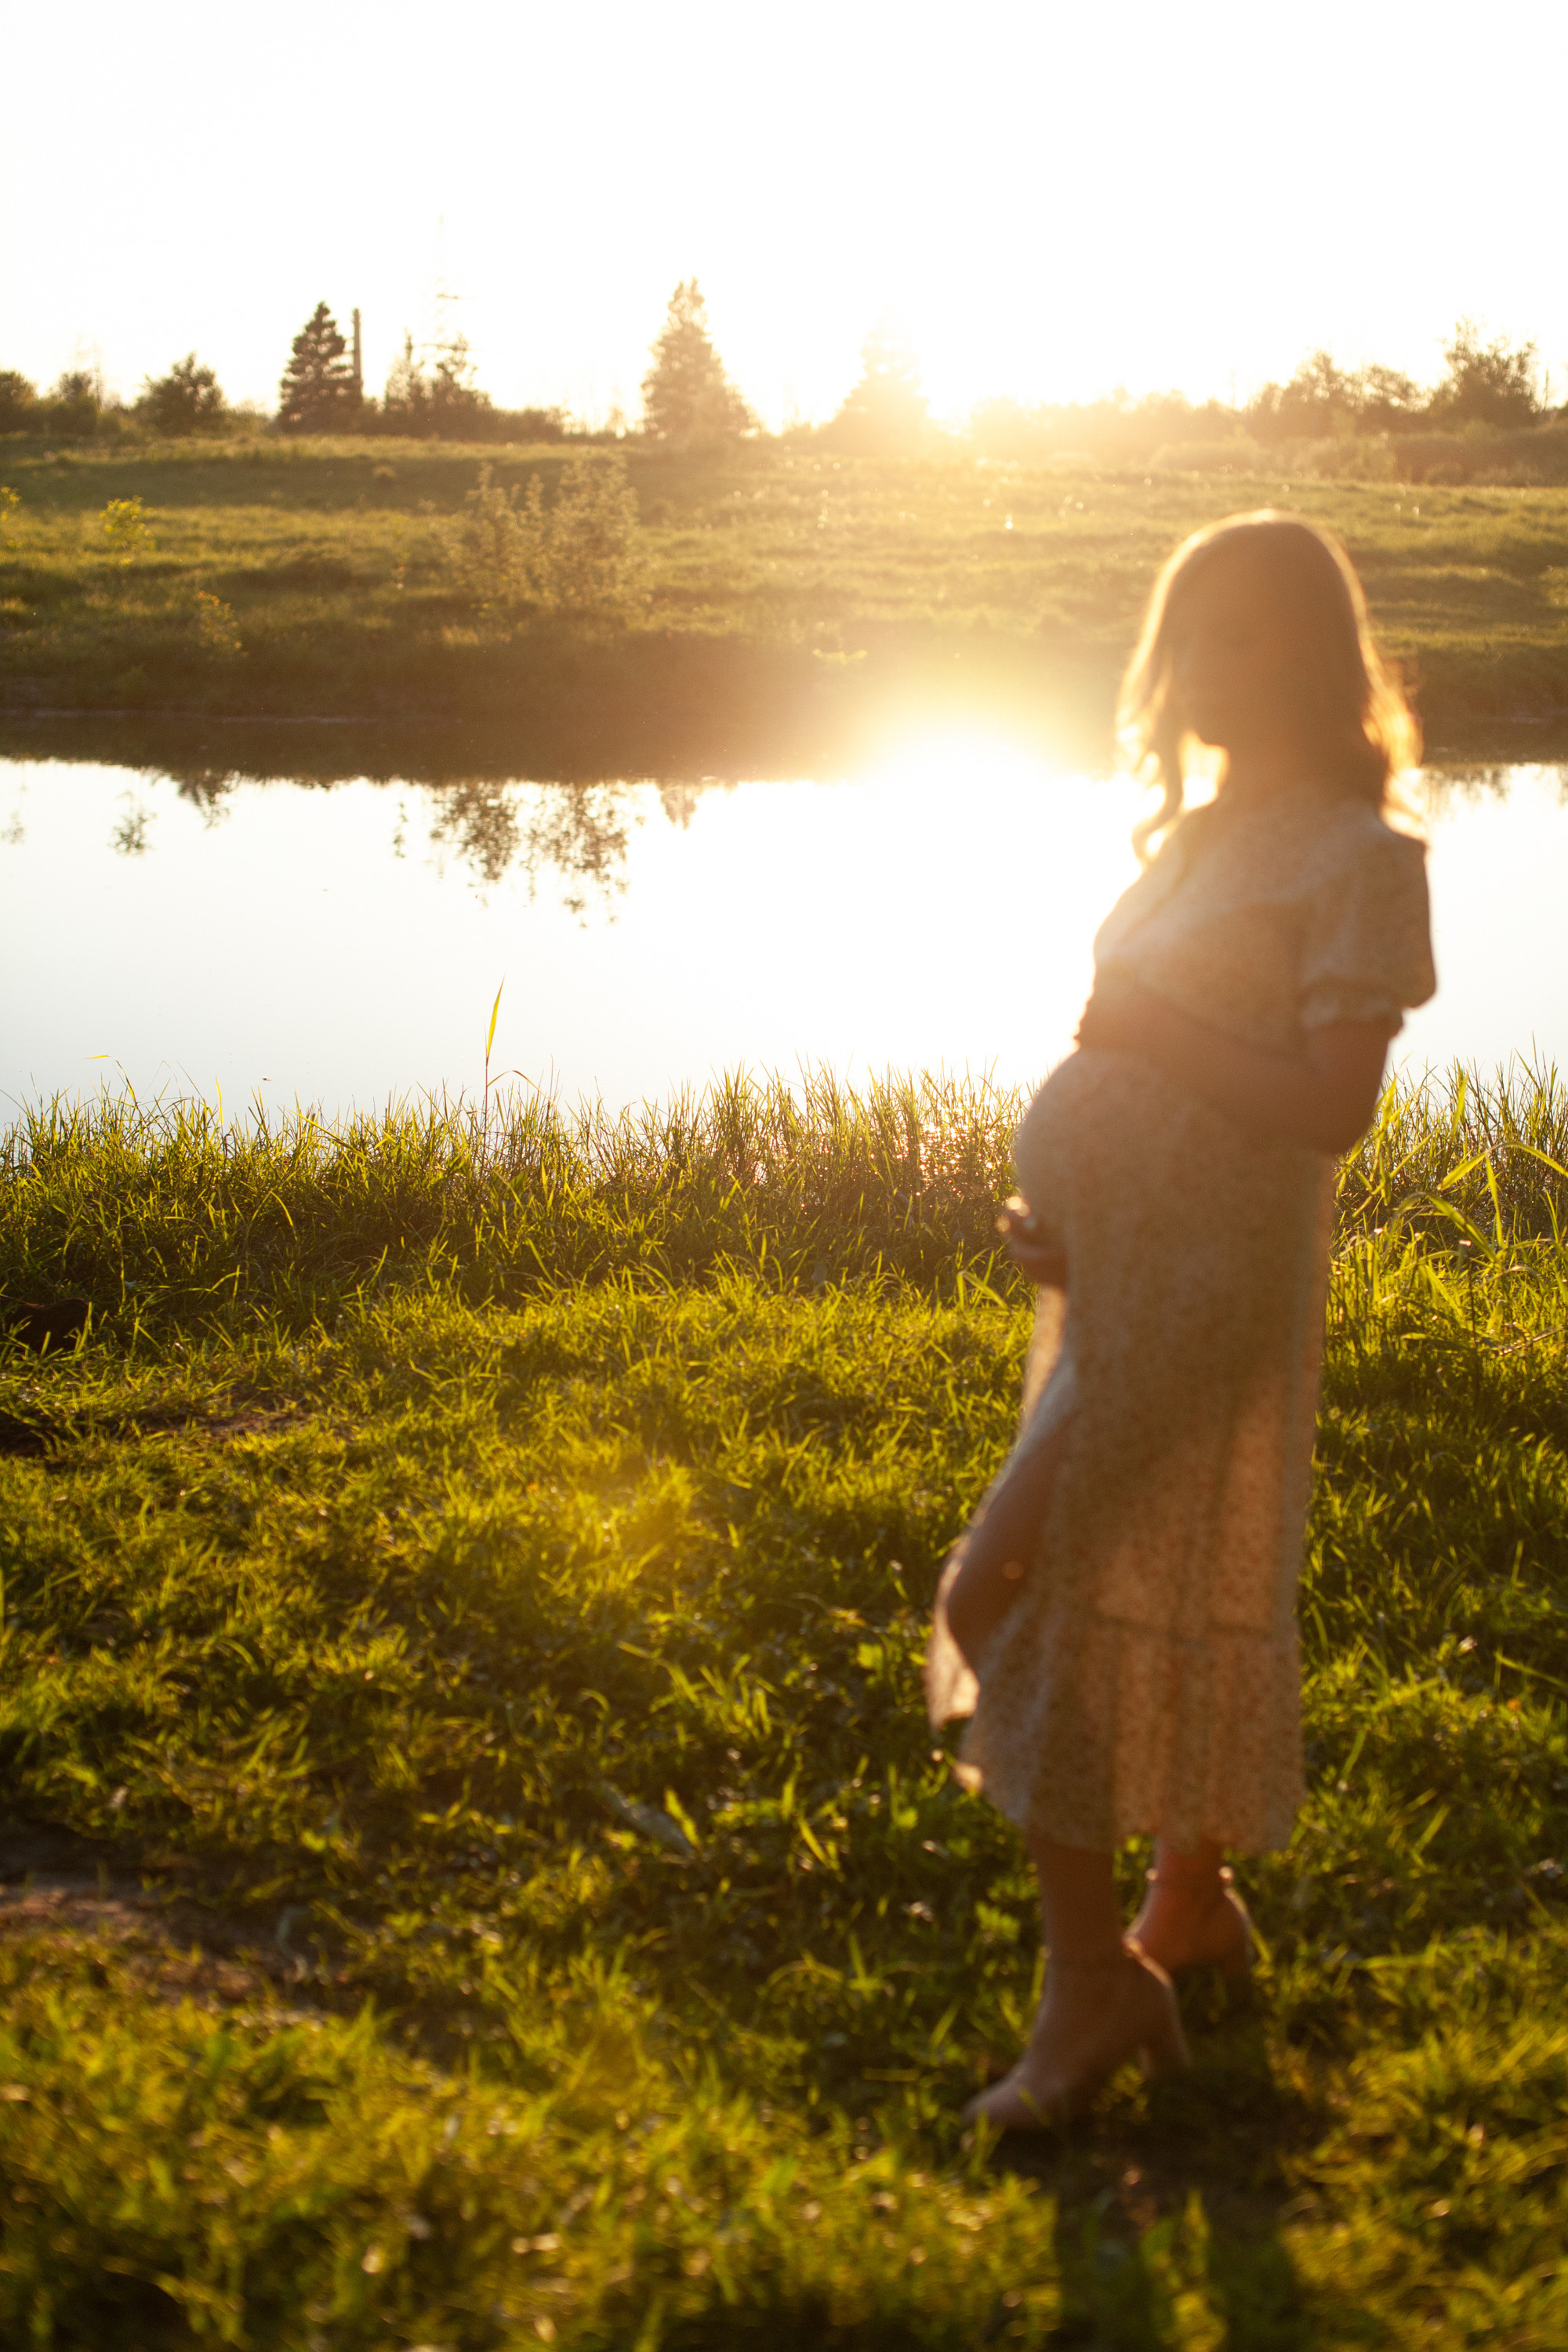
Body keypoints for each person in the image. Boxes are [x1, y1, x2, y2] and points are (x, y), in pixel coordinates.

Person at [924, 510, 1436, 2127]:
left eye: (1239, 634)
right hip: (1124, 1280)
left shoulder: (1363, 861)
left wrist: (1141, 1030)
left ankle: (1097, 1994)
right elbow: (1142, 1076)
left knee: (1001, 1587)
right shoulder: (1196, 843)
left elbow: (1326, 1108)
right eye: (1185, 632)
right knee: (1145, 1568)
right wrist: (1069, 1224)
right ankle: (1189, 1908)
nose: (1199, 668)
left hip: (1212, 1297)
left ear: (1311, 649)